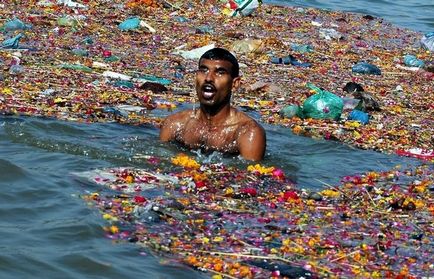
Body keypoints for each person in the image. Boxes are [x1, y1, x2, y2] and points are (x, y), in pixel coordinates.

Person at [160, 47, 266, 161]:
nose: (209, 78)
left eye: (220, 72)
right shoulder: (175, 124)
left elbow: (250, 175)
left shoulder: (247, 132)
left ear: (234, 84)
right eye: (204, 70)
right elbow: (158, 162)